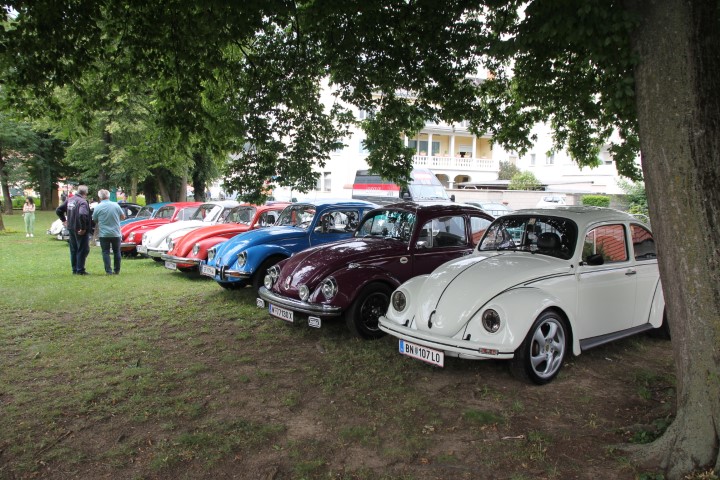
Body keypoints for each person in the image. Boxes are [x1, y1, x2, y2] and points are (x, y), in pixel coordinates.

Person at [56, 185, 93, 275]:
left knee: (74, 249)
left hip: (71, 227)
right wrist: (83, 228)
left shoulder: (70, 200)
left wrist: (64, 220)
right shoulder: (82, 202)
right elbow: (82, 214)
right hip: (80, 229)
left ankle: (75, 269)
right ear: (85, 193)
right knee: (83, 249)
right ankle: (80, 270)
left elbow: (59, 210)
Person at [92, 189, 126, 275]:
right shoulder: (116, 205)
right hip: (116, 233)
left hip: (104, 233)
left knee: (105, 252)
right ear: (109, 196)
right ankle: (117, 270)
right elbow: (123, 217)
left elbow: (94, 219)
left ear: (100, 197)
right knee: (117, 251)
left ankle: (108, 271)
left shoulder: (98, 207)